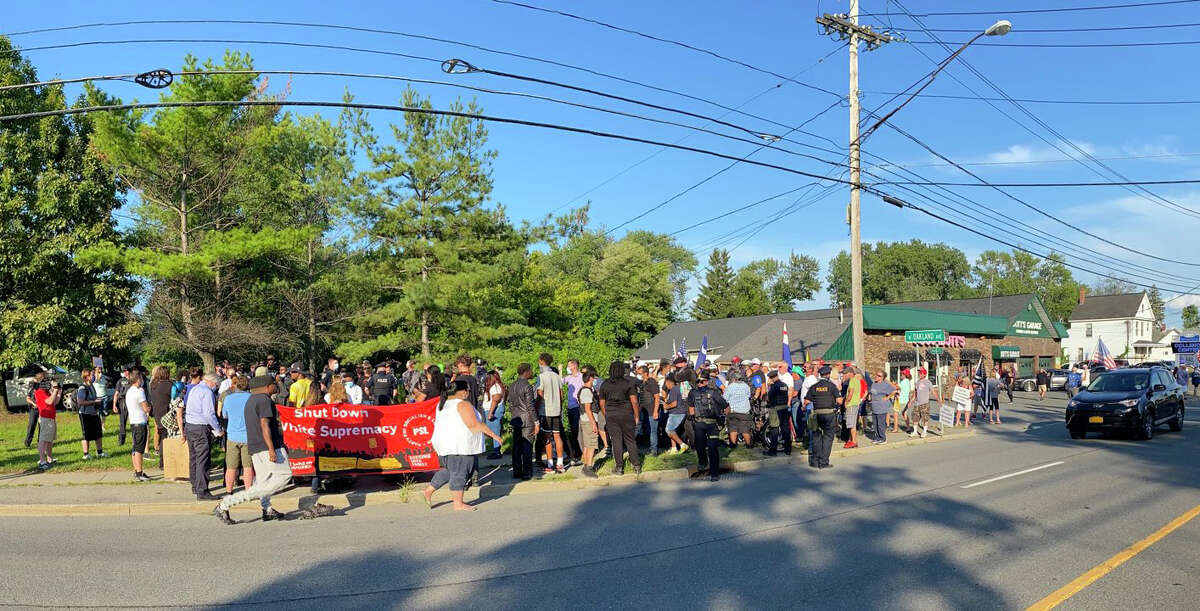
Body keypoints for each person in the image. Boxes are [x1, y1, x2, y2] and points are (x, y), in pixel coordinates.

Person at [213, 375, 293, 525]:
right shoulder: (264, 400)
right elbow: (264, 425)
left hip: (254, 446)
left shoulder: (251, 400)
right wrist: (271, 449)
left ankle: (266, 509)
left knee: (263, 480)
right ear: (267, 387)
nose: (276, 387)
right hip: (268, 446)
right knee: (285, 475)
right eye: (274, 384)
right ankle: (227, 503)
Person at [421, 379, 504, 511]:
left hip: (447, 444)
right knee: (461, 472)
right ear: (462, 391)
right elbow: (474, 424)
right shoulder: (462, 404)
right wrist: (494, 436)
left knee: (451, 471)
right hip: (460, 445)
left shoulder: (443, 404)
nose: (468, 393)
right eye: (468, 390)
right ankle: (458, 503)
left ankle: (429, 490)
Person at [184, 373, 224, 501]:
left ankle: (195, 485)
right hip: (201, 427)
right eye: (216, 385)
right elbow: (209, 414)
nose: (216, 388)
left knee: (194, 457)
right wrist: (217, 429)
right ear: (212, 382)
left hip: (190, 426)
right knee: (203, 460)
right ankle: (202, 490)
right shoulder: (207, 392)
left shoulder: (194, 388)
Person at [598, 361, 641, 476]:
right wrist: (636, 415)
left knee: (616, 441)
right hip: (626, 413)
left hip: (611, 414)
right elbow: (634, 401)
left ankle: (619, 468)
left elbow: (601, 403)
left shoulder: (605, 384)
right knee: (630, 440)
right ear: (622, 370)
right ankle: (636, 465)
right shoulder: (628, 383)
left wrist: (606, 414)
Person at [687, 370, 728, 482]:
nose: (699, 383)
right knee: (699, 446)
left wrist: (725, 419)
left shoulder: (714, 393)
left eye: (701, 381)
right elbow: (690, 408)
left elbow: (725, 405)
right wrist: (692, 419)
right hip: (700, 424)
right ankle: (703, 462)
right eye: (698, 382)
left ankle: (714, 473)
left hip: (712, 424)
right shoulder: (693, 393)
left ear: (706, 381)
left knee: (712, 448)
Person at [804, 365, 842, 469]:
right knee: (828, 438)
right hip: (829, 414)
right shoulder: (831, 386)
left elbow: (806, 401)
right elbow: (839, 400)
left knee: (816, 437)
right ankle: (824, 462)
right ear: (828, 375)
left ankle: (815, 461)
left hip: (816, 414)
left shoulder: (814, 386)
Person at [533, 353, 565, 474]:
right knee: (557, 436)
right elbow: (562, 395)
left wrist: (536, 408)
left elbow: (540, 394)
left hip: (545, 410)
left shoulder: (541, 376)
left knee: (547, 438)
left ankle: (550, 464)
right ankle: (560, 463)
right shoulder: (557, 376)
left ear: (541, 361)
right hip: (556, 410)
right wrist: (560, 407)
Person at [222, 376, 254, 496]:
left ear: (235, 385)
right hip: (247, 436)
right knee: (248, 466)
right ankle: (248, 491)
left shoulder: (228, 399)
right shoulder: (251, 398)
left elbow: (224, 415)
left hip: (232, 435)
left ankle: (228, 491)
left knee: (231, 467)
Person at [508, 363, 538, 480]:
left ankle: (517, 470)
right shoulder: (527, 386)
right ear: (526, 371)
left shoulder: (512, 385)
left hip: (516, 418)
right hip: (527, 418)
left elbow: (510, 403)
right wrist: (536, 421)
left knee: (516, 446)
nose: (531, 372)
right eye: (530, 370)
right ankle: (527, 471)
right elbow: (530, 405)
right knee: (527, 446)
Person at [125, 372, 152, 482]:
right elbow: (145, 408)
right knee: (139, 449)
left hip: (133, 421)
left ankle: (136, 470)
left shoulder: (129, 391)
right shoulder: (139, 391)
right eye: (140, 378)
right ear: (137, 380)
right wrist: (149, 408)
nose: (142, 380)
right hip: (140, 422)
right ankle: (139, 472)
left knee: (135, 447)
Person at [76, 369, 107, 460]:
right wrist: (94, 401)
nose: (93, 376)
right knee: (86, 435)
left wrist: (97, 400)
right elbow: (80, 402)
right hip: (85, 414)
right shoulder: (82, 388)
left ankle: (100, 452)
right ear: (86, 377)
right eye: (91, 375)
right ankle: (86, 454)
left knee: (98, 433)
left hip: (94, 413)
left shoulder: (92, 386)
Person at [576, 372, 602, 477]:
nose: (595, 380)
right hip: (589, 421)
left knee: (587, 444)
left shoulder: (584, 390)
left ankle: (586, 465)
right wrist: (594, 424)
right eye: (594, 378)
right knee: (591, 444)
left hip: (585, 420)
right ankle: (589, 467)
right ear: (590, 378)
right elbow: (588, 409)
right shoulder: (586, 391)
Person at [148, 366, 173, 467]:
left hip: (157, 414)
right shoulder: (168, 385)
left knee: (162, 437)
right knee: (166, 438)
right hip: (166, 414)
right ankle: (164, 462)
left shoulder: (153, 385)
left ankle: (163, 462)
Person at [763, 370, 792, 456]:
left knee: (774, 429)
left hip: (775, 409)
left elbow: (769, 398)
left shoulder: (773, 386)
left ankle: (773, 451)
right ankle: (788, 450)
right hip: (784, 408)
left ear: (771, 378)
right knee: (785, 429)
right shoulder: (784, 385)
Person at [34, 378, 61, 469]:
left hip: (51, 418)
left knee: (49, 440)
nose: (51, 385)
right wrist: (55, 390)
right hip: (45, 418)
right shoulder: (39, 392)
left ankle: (49, 459)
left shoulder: (47, 392)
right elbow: (49, 401)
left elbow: (55, 402)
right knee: (43, 440)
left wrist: (59, 392)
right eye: (50, 383)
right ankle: (42, 461)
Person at [724, 370, 753, 449]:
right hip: (744, 411)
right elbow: (748, 396)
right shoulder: (746, 386)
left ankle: (733, 444)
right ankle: (748, 444)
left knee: (733, 428)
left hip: (733, 410)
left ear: (734, 378)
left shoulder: (730, 386)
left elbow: (725, 398)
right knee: (745, 429)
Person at [636, 364, 661, 456]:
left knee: (653, 431)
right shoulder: (642, 383)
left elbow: (657, 398)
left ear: (646, 373)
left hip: (651, 410)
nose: (639, 375)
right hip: (643, 410)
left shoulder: (652, 383)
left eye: (640, 373)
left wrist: (655, 411)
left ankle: (654, 451)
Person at [910, 368, 941, 438]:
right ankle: (915, 432)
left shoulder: (928, 382)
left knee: (925, 418)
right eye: (919, 373)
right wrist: (911, 401)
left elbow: (933, 392)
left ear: (924, 374)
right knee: (915, 418)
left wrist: (939, 400)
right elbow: (915, 393)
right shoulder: (917, 382)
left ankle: (924, 431)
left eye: (921, 373)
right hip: (917, 403)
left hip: (925, 403)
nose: (919, 374)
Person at [483, 370, 506, 460]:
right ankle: (495, 450)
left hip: (494, 411)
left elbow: (496, 399)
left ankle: (496, 451)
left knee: (495, 431)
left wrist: (490, 412)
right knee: (494, 431)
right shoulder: (496, 386)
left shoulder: (495, 387)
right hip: (493, 410)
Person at [841, 365, 867, 449]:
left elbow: (851, 392)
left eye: (845, 373)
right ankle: (852, 440)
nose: (844, 375)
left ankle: (854, 442)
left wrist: (846, 401)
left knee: (851, 425)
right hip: (855, 403)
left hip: (851, 404)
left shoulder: (852, 380)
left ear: (850, 373)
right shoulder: (857, 380)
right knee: (852, 424)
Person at [868, 370, 897, 444]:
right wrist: (869, 398)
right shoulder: (874, 383)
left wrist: (887, 398)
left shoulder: (885, 385)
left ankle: (883, 439)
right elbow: (871, 392)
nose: (877, 376)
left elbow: (894, 391)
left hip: (882, 407)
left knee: (880, 424)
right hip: (874, 406)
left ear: (883, 377)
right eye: (877, 375)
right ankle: (877, 438)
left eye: (879, 376)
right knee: (875, 424)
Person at [661, 376, 688, 453]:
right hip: (676, 412)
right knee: (673, 430)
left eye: (665, 383)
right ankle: (674, 448)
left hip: (677, 413)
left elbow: (674, 404)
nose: (665, 385)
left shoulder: (673, 390)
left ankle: (683, 445)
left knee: (669, 430)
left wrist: (666, 406)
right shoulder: (676, 389)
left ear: (668, 382)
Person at [892, 369, 912, 434]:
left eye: (902, 374)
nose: (901, 375)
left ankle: (895, 428)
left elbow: (897, 387)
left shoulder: (903, 382)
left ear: (904, 375)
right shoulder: (908, 382)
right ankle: (908, 427)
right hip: (905, 400)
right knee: (905, 414)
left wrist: (893, 384)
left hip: (900, 400)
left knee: (895, 414)